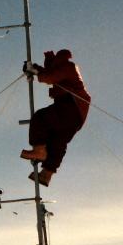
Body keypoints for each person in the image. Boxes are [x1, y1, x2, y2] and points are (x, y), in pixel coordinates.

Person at [21, 49, 91, 186]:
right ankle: (46, 174)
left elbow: (50, 76)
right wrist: (35, 69)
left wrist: (35, 71)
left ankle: (39, 150)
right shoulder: (66, 68)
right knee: (57, 140)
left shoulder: (67, 66)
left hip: (72, 105)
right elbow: (50, 74)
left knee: (40, 118)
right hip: (77, 115)